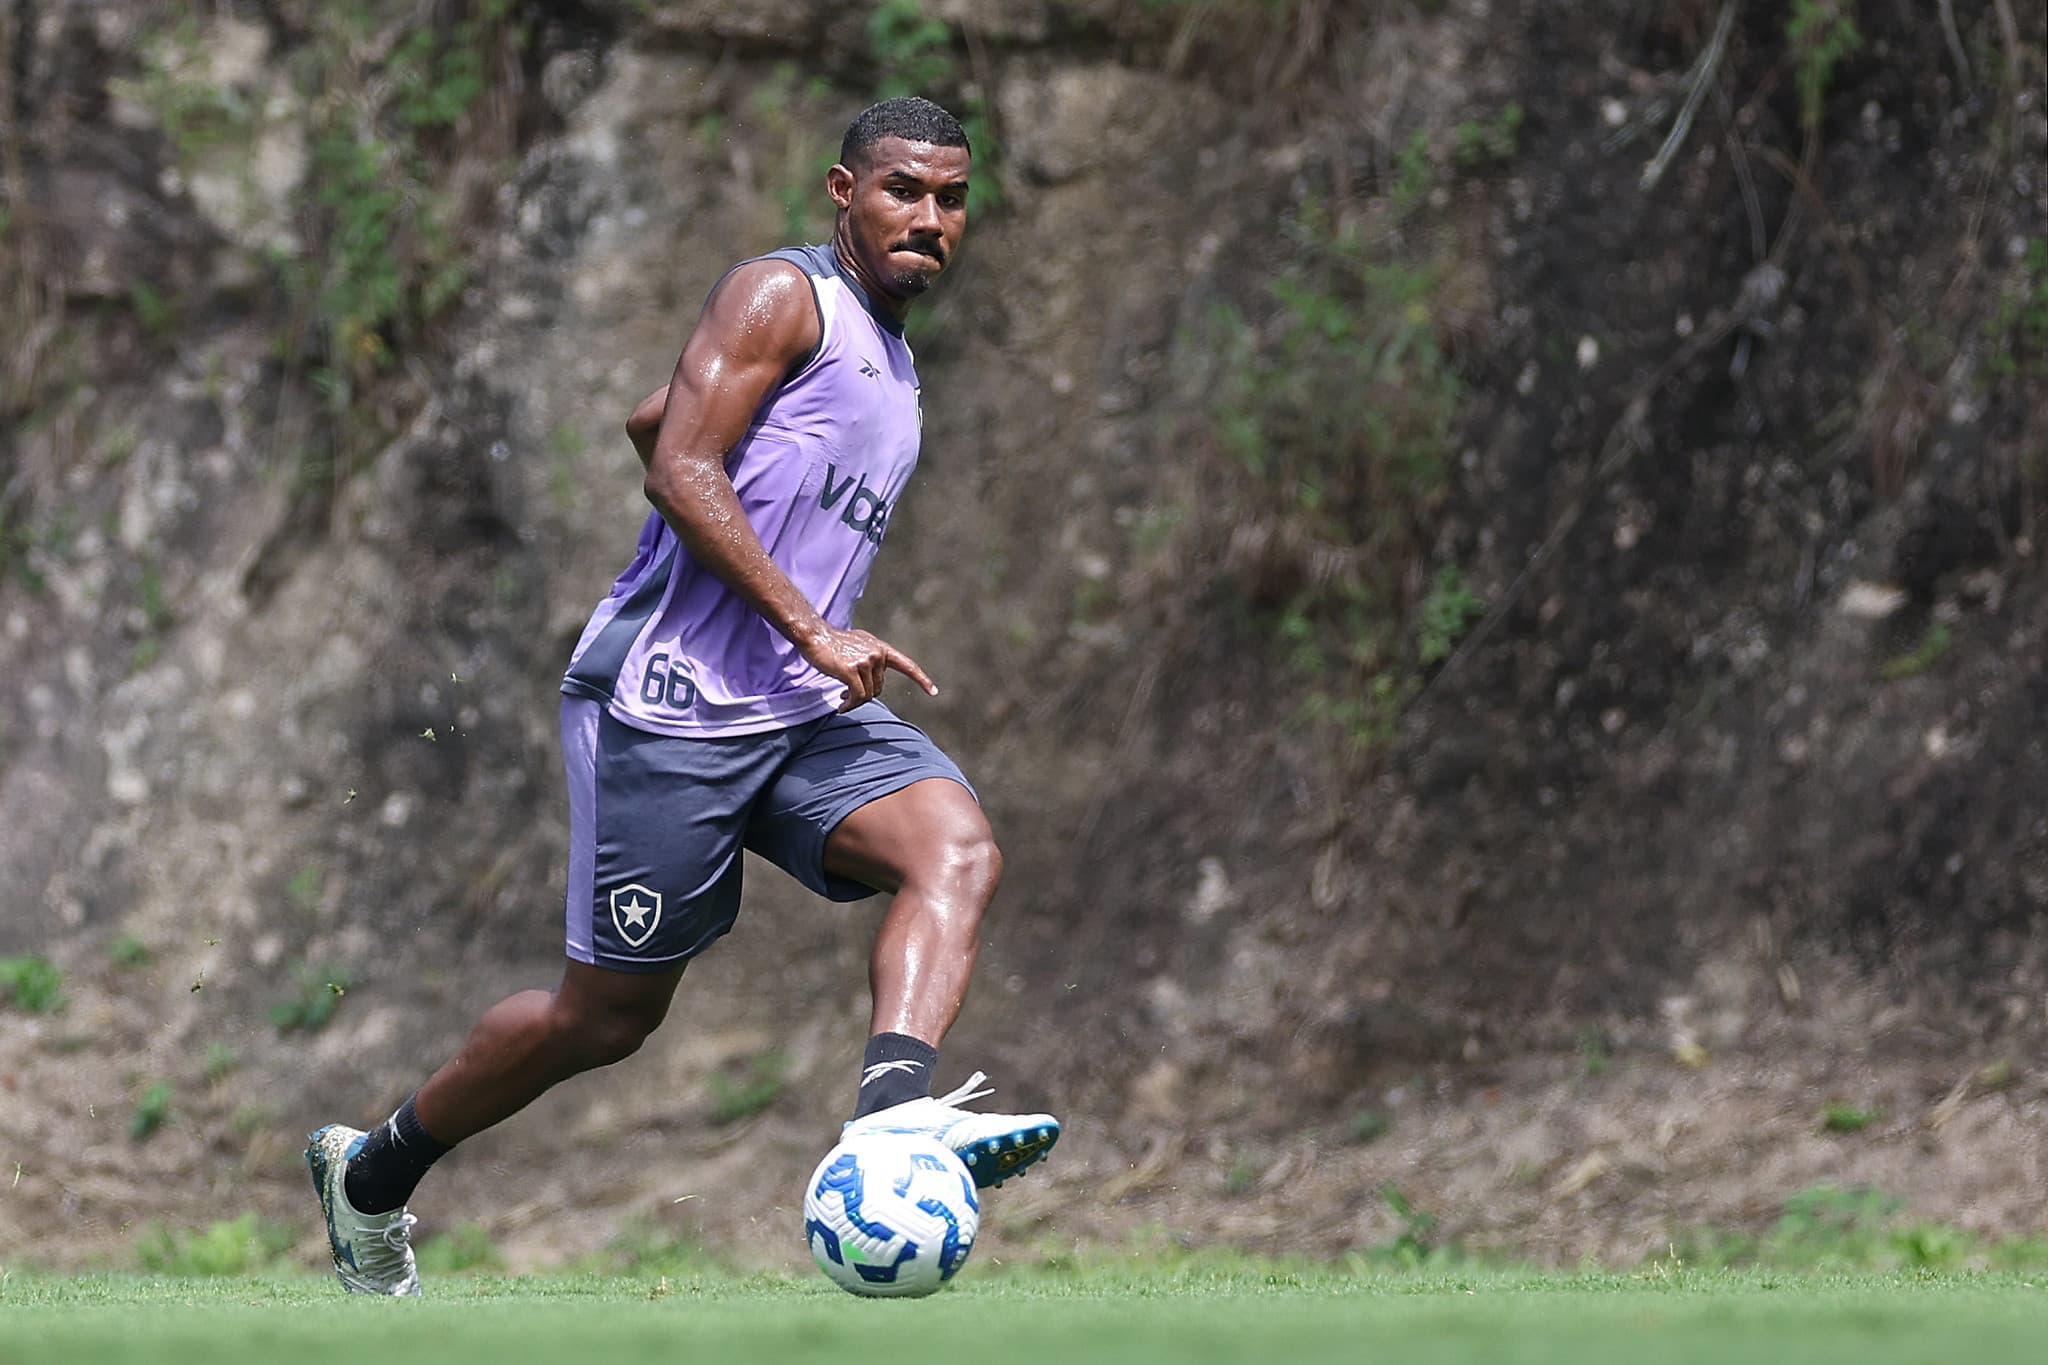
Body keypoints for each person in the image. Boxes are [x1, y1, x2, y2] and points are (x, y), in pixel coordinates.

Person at [305, 96, 1060, 1297]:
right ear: (841, 191)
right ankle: (373, 1177)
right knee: (603, 1020)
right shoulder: (782, 296)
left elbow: (660, 420)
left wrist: (779, 596)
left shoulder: (892, 353)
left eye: (950, 198)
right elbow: (677, 462)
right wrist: (807, 620)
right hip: (667, 703)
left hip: (796, 706)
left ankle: (886, 1127)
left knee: (953, 850)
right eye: (902, 190)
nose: (929, 217)